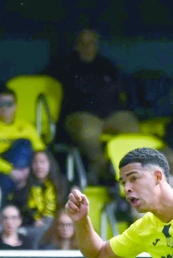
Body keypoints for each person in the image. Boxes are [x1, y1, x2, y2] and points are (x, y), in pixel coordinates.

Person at [48, 29, 139, 183]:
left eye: (91, 43)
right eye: (83, 43)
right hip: (81, 115)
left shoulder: (106, 65)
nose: (87, 47)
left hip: (111, 113)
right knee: (88, 133)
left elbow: (120, 90)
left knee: (132, 127)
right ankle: (106, 169)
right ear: (76, 46)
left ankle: (130, 170)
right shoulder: (64, 66)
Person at [0, 88, 45, 191]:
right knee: (23, 144)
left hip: (25, 169)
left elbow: (40, 152)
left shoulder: (25, 126)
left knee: (25, 144)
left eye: (9, 104)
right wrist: (11, 170)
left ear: (16, 106)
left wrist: (28, 169)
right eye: (1, 104)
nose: (5, 108)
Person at [7, 149, 66, 241]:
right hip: (33, 227)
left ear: (50, 164)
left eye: (43, 162)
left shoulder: (62, 185)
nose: (39, 166)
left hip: (58, 226)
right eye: (35, 162)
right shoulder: (23, 188)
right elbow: (19, 212)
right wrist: (34, 220)